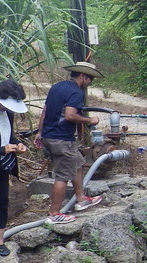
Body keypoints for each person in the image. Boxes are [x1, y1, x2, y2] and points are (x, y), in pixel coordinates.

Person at [35, 62, 105, 224]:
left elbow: (45, 110)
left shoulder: (57, 87)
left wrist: (40, 132)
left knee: (78, 162)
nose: (90, 83)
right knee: (62, 176)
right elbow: (70, 115)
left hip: (51, 135)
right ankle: (54, 213)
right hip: (61, 139)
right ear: (82, 76)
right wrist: (89, 120)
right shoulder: (76, 92)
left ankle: (81, 199)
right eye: (90, 79)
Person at [0, 80, 28, 256]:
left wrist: (17, 145)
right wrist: (2, 149)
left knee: (2, 202)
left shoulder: (8, 114)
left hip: (2, 166)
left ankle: (0, 241)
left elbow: (8, 135)